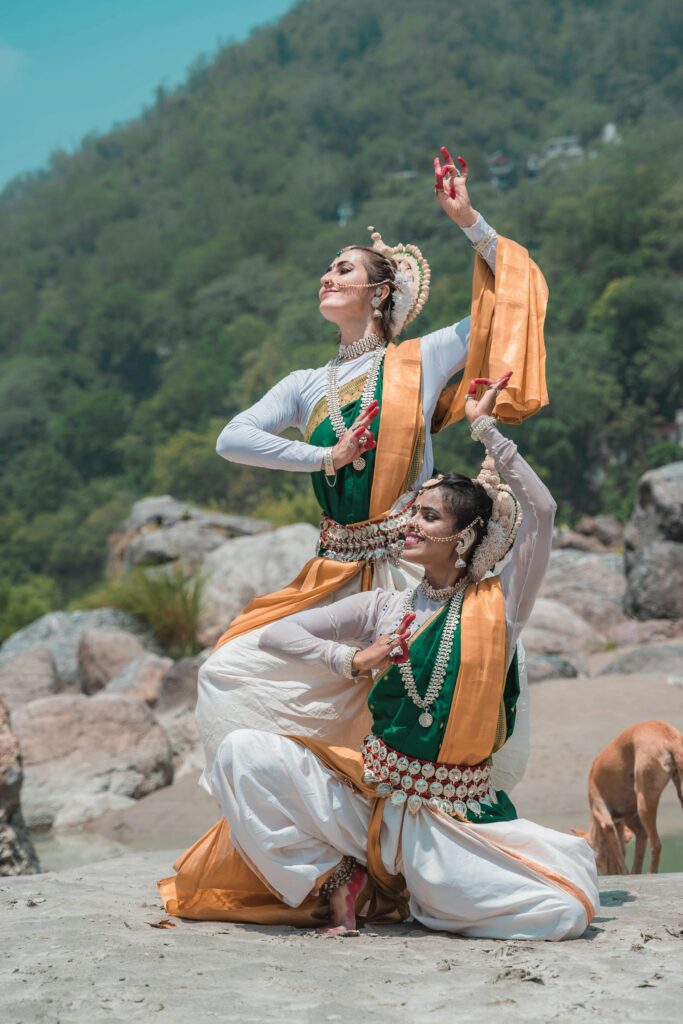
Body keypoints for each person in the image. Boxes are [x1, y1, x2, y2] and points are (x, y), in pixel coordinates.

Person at [160, 376, 598, 938]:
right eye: (412, 512)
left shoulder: (499, 608)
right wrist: (353, 661)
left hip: (450, 823)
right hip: (373, 804)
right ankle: (341, 877)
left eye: (429, 517)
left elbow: (541, 508)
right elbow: (278, 637)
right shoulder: (384, 609)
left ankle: (417, 885)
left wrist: (485, 428)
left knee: (560, 913)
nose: (409, 523)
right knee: (241, 757)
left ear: (464, 537)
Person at [194, 148, 549, 788]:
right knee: (229, 670)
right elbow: (232, 438)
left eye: (344, 268)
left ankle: (417, 833)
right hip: (332, 570)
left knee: (425, 691)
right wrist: (323, 456)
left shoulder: (422, 357)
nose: (327, 276)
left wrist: (469, 221)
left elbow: (509, 299)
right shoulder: (306, 384)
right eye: (328, 269)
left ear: (380, 292)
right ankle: (337, 847)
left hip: (414, 562)